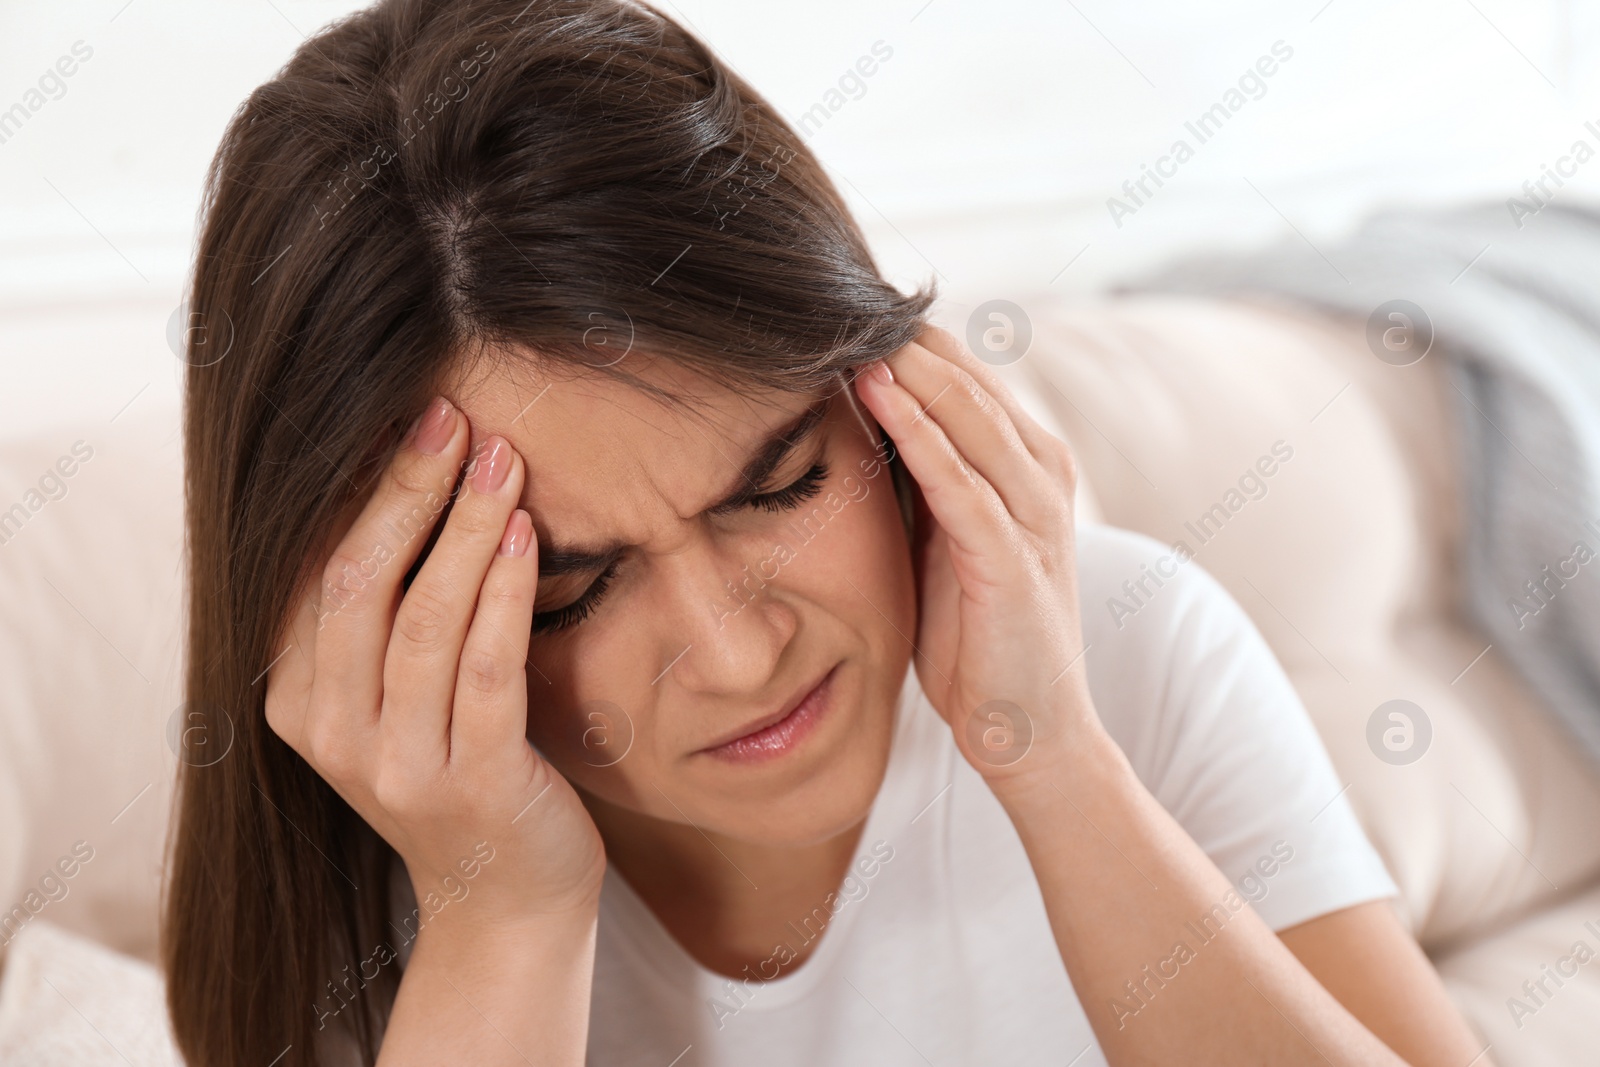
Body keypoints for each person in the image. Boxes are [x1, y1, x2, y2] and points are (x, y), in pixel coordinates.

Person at [163, 0, 1490, 1063]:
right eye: (571, 592)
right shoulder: (375, 872)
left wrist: (1058, 767)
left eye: (780, 487)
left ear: (890, 400)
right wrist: (502, 918)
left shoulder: (1128, 651)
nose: (739, 657)